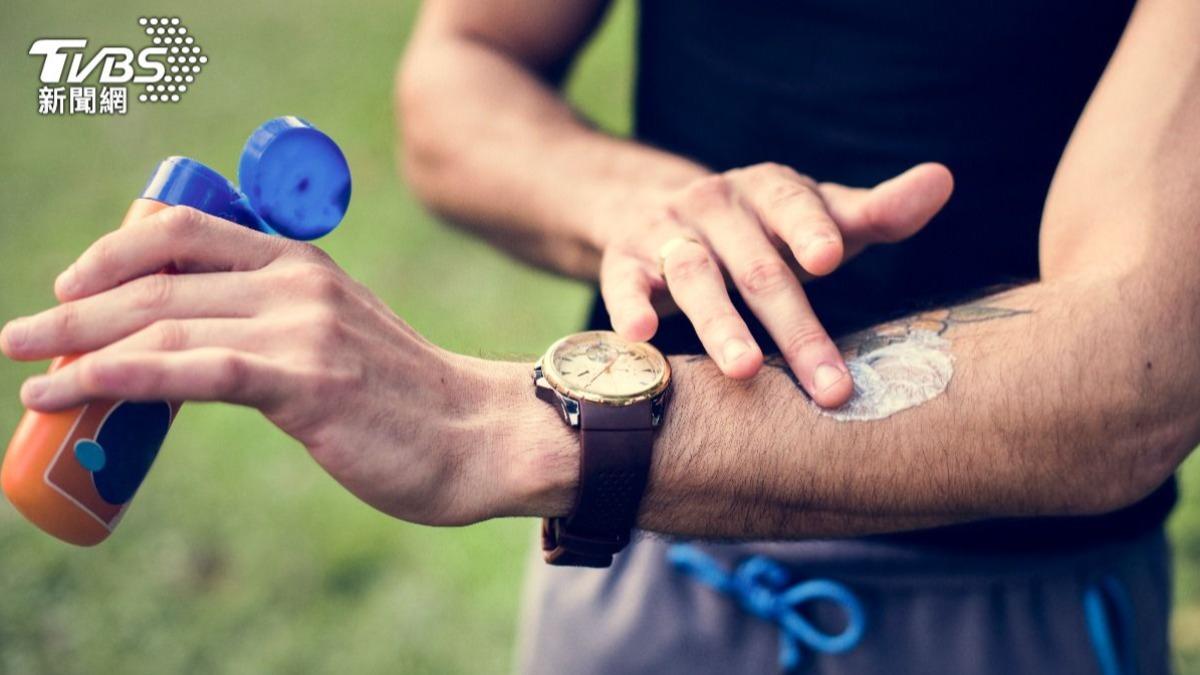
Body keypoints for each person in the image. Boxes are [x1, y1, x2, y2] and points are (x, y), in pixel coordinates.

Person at [0, 0, 1196, 672]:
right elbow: (461, 68)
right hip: (631, 584)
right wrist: (628, 198)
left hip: (1017, 619)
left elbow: (1135, 372)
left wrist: (507, 426)